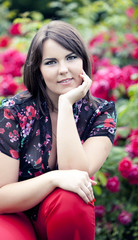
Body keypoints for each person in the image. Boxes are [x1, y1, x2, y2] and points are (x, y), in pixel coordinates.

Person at [0, 20, 117, 240]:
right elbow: (2, 196)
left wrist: (65, 105)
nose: (63, 70)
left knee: (71, 198)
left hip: (60, 214)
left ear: (83, 60)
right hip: (13, 215)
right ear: (38, 70)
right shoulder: (13, 112)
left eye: (71, 57)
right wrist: (54, 178)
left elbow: (76, 174)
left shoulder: (100, 113)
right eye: (51, 62)